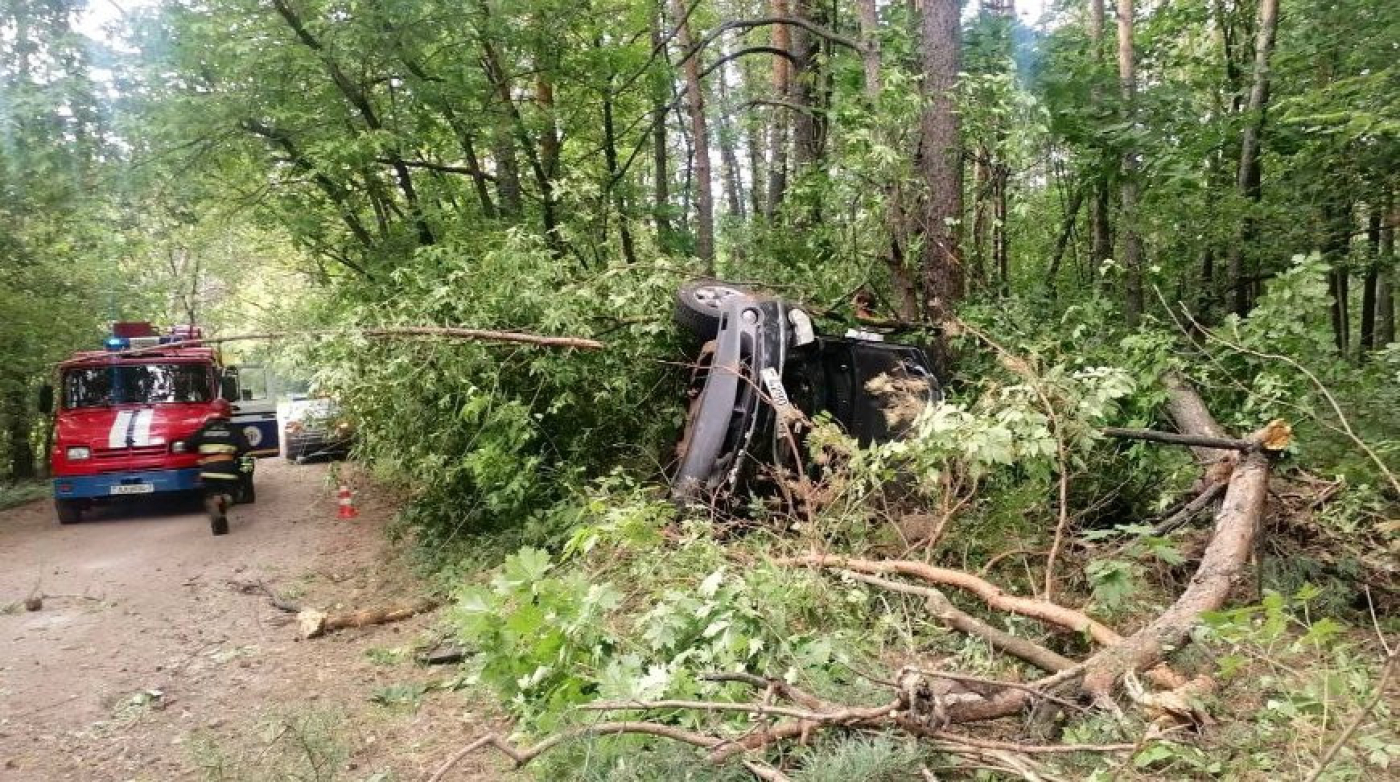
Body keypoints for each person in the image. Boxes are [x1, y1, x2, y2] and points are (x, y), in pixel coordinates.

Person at [187, 399, 251, 535]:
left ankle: (218, 515)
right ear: (228, 413)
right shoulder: (234, 430)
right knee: (232, 494)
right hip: (227, 471)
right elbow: (246, 449)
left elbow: (188, 444)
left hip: (207, 472)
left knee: (211, 494)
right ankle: (224, 501)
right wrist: (245, 475)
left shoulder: (203, 430)